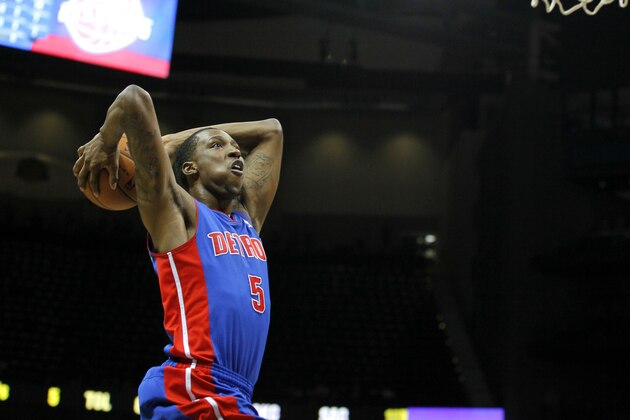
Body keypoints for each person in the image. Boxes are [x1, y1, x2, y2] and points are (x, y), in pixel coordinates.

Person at [73, 84, 283, 419]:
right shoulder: (176, 214)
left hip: (234, 396)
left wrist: (181, 143)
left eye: (235, 148)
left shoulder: (247, 221)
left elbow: (272, 129)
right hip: (197, 389)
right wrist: (118, 139)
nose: (236, 152)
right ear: (189, 168)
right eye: (218, 146)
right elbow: (133, 100)